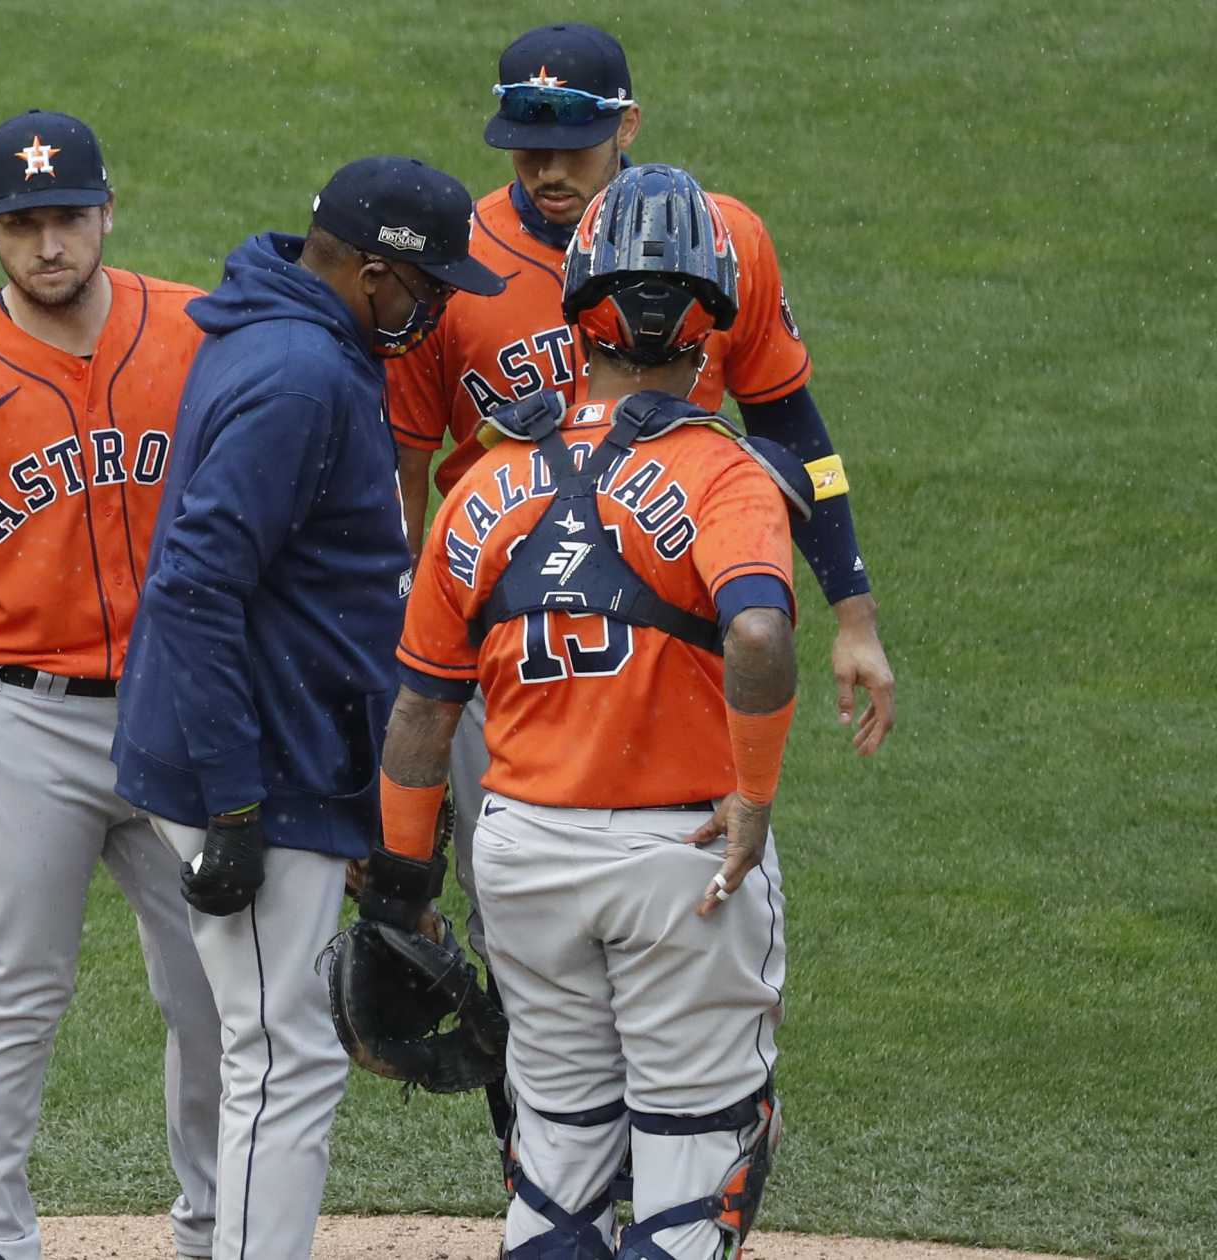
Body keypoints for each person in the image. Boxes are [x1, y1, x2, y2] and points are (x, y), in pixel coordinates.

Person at [385, 20, 894, 966]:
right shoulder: (453, 266)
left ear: (628, 125)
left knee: (694, 887)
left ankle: (696, 1100)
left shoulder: (724, 238)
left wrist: (853, 611)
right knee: (513, 924)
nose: (547, 170)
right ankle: (536, 1119)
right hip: (505, 634)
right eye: (525, 147)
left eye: (570, 146)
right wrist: (405, 636)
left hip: (679, 644)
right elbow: (405, 469)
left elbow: (794, 429)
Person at [363, 164, 800, 1259]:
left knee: (556, 1165)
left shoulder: (485, 482)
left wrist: (403, 888)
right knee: (696, 1166)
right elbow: (755, 634)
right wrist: (751, 795)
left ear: (573, 310)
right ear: (713, 318)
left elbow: (419, 714)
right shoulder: (723, 477)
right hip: (678, 860)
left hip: (522, 854)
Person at [112, 156, 506, 1260]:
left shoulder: (295, 338)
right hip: (247, 766)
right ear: (373, 276)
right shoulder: (300, 378)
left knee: (274, 1047)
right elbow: (193, 585)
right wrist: (234, 808)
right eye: (427, 293)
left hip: (283, 751)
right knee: (281, 1053)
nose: (434, 318)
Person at [0, 110, 222, 1260]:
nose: (48, 243)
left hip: (181, 711)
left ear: (107, 211)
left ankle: (220, 1227)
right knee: (13, 995)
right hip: (22, 723)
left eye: (67, 215)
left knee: (215, 995)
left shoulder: (196, 334)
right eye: (22, 223)